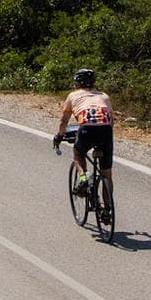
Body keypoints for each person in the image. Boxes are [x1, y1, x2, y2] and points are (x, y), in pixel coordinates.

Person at [54, 68, 114, 201]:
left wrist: (59, 136)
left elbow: (64, 120)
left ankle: (83, 177)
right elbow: (111, 120)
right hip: (106, 130)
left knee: (78, 155)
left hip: (86, 128)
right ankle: (107, 210)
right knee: (107, 174)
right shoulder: (104, 96)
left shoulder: (73, 96)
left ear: (78, 83)